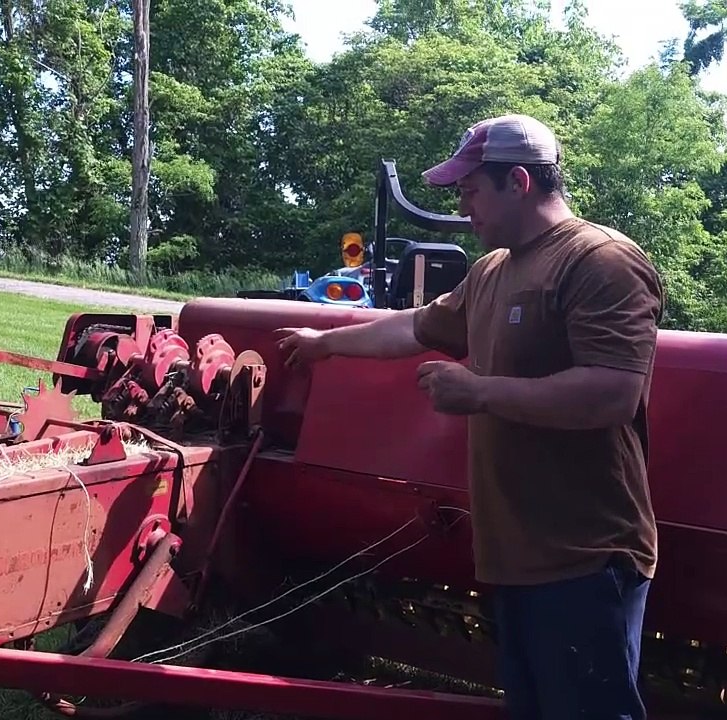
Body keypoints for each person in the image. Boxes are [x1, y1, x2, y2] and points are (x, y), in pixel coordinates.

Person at [276, 113, 665, 720]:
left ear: (519, 181)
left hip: (585, 557)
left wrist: (480, 392)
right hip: (513, 553)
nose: (463, 208)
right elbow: (416, 326)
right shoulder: (491, 271)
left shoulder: (600, 262)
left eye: (470, 190)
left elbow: (613, 392)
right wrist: (327, 342)